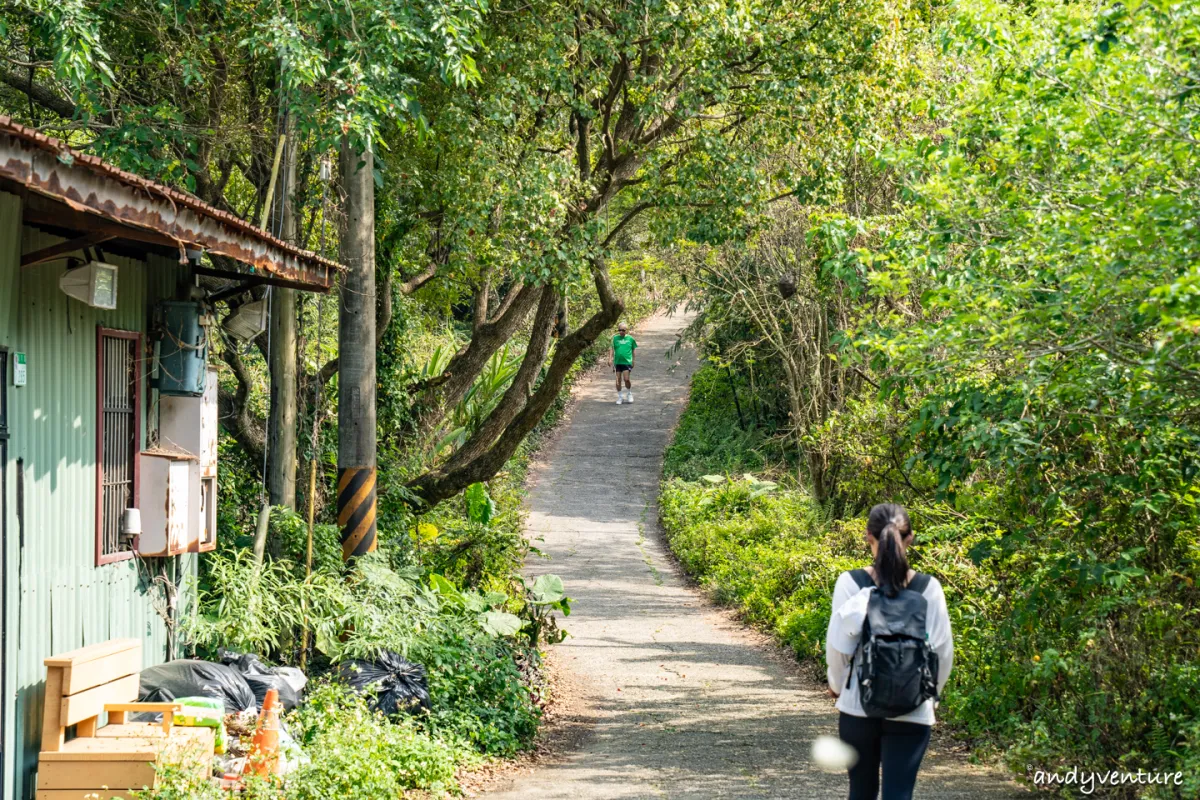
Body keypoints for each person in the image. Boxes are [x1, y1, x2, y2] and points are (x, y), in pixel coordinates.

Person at [825, 504, 953, 800]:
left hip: (859, 707)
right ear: (910, 539)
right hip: (913, 707)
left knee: (861, 792)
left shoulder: (851, 583)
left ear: (868, 537)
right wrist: (931, 696)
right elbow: (943, 653)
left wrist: (837, 686)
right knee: (899, 794)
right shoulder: (928, 588)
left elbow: (838, 648)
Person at [612, 323, 637, 404]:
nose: (621, 332)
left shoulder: (630, 339)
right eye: (619, 330)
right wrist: (610, 359)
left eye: (623, 330)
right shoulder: (615, 338)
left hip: (626, 362)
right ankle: (620, 397)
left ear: (626, 330)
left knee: (626, 379)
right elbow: (612, 349)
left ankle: (629, 393)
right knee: (617, 380)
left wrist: (633, 360)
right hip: (617, 362)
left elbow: (633, 350)